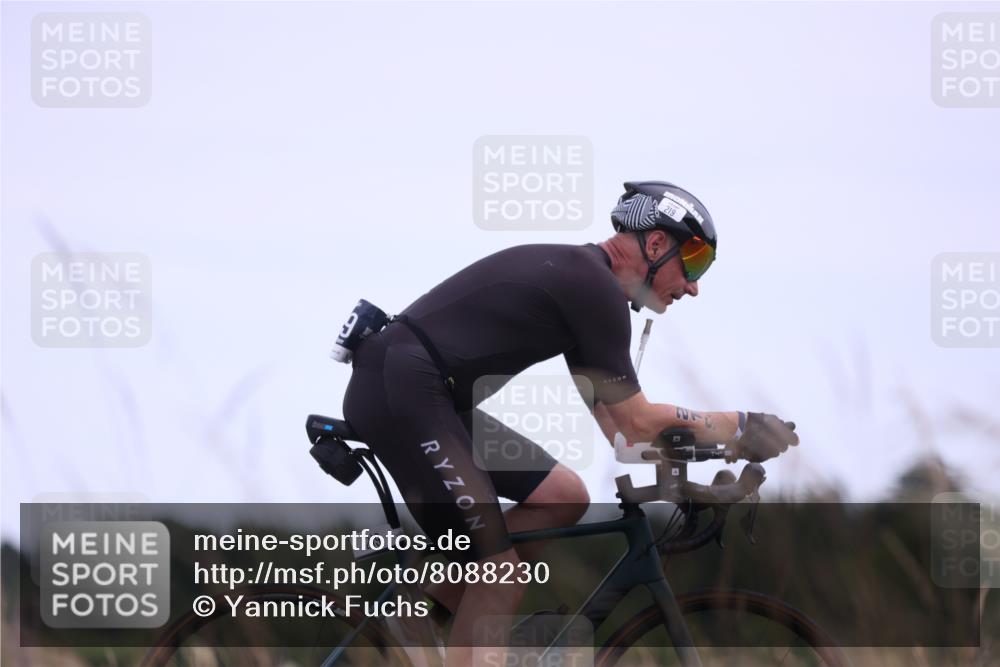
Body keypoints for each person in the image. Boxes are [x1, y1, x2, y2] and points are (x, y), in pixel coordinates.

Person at [342, 180, 799, 666]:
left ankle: (424, 610)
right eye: (695, 260)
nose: (693, 285)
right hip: (404, 393)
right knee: (501, 574)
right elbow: (639, 420)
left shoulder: (587, 287)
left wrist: (702, 468)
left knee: (563, 497)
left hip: (417, 394)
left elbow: (623, 435)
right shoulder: (592, 287)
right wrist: (741, 425)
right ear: (657, 243)